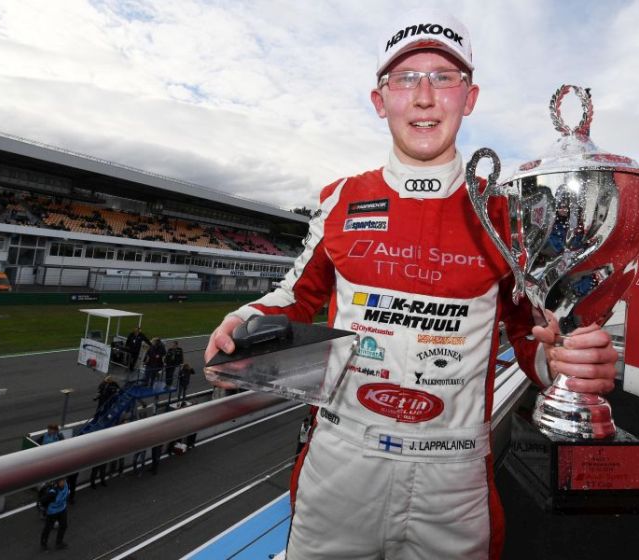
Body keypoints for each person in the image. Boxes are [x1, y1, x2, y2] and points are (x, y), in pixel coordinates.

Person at [205, 9, 618, 559]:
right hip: (339, 465)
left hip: (455, 478)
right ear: (380, 100)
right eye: (404, 78)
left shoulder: (505, 212)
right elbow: (296, 297)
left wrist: (566, 365)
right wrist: (242, 320)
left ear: (469, 98)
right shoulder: (340, 198)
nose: (424, 96)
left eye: (444, 77)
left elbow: (530, 336)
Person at [39, 478, 69, 550]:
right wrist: (45, 510)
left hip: (62, 509)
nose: (63, 483)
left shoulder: (66, 485)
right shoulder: (53, 492)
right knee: (48, 528)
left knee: (64, 525)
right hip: (53, 512)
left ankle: (59, 542)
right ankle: (43, 543)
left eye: (64, 481)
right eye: (61, 481)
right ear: (57, 483)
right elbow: (43, 501)